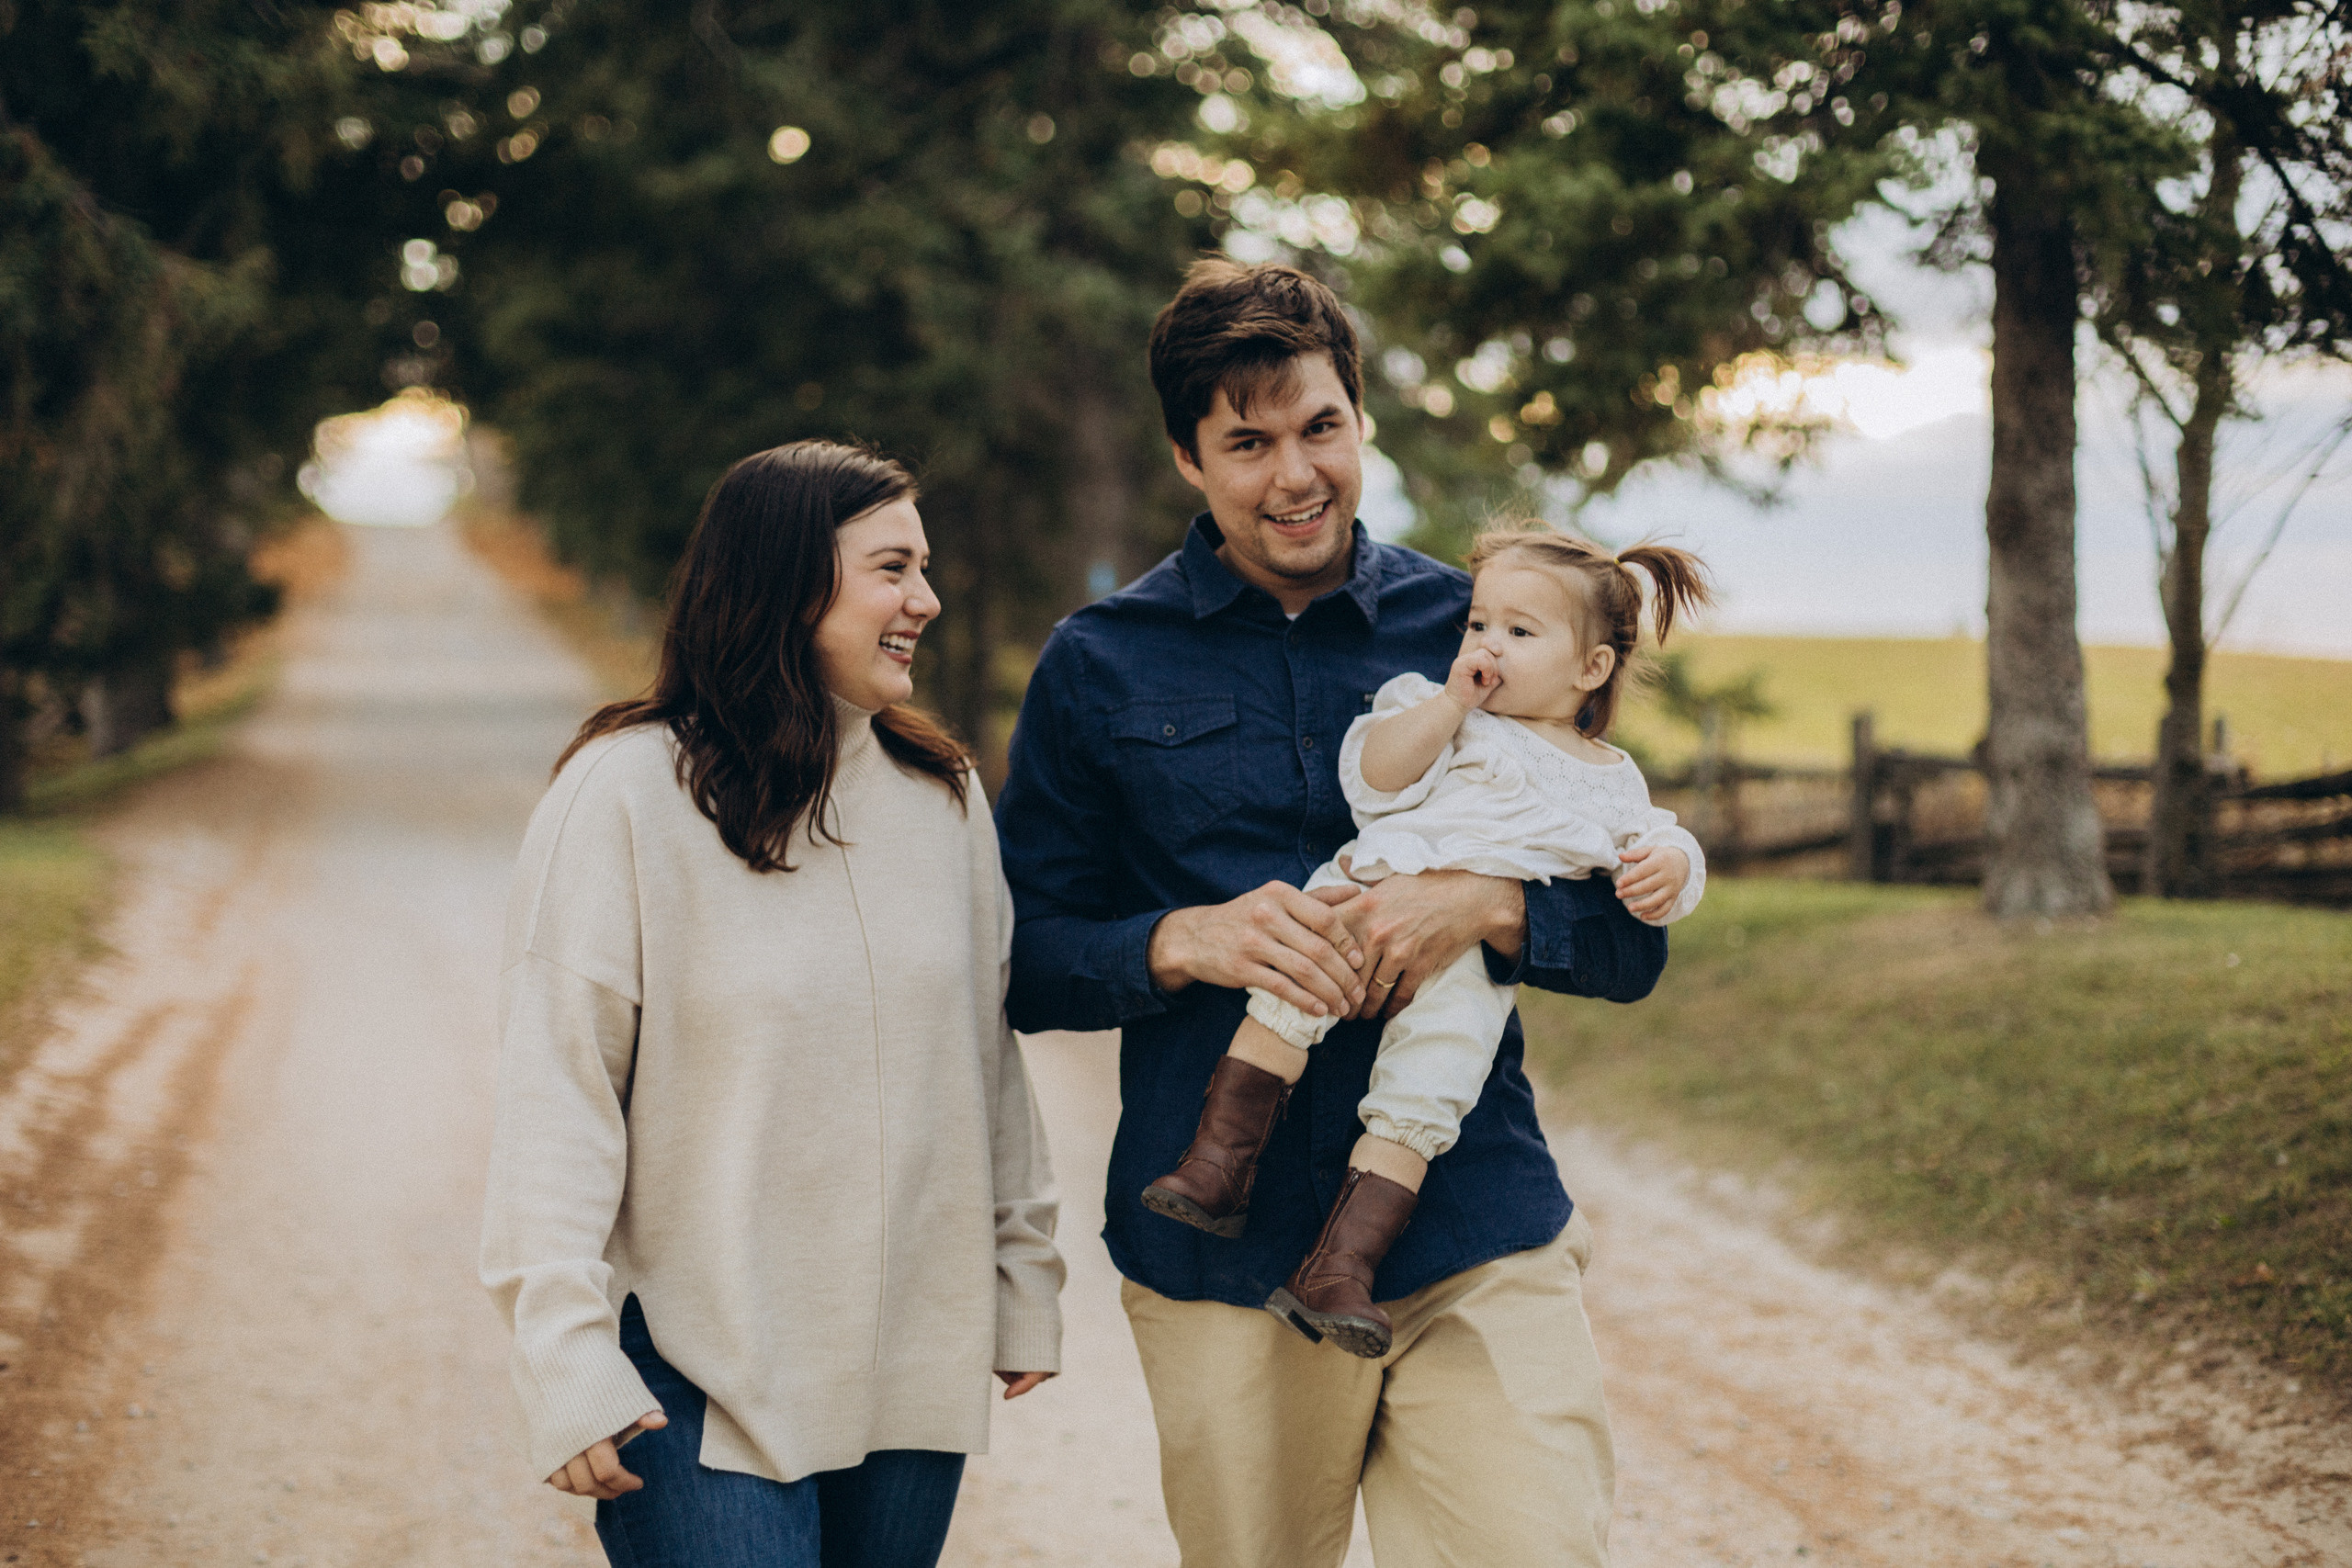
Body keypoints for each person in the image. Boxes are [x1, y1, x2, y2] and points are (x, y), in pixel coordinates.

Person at [993, 259, 1666, 1568]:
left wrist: (1487, 903)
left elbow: (1629, 935)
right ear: (1188, 458)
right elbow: (1026, 959)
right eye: (1248, 443)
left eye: (1321, 427)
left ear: (1362, 420)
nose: (1295, 474)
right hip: (1221, 1258)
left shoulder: (1486, 626)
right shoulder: (1097, 662)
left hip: (1472, 1222)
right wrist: (1181, 940)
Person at [481, 441, 1064, 1568]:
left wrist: (1020, 1274)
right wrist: (562, 1352)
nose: (927, 600)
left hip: (906, 1372)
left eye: (925, 569)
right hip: (693, 1372)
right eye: (892, 569)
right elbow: (558, 1089)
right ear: (792, 583)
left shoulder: (941, 799)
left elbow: (983, 1064)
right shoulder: (625, 791)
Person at [1147, 526, 1711, 1359]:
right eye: (1479, 623)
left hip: (1471, 972)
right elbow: (1375, 777)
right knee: (1292, 994)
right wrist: (1449, 706)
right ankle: (1218, 1165)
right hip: (1369, 891)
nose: (1488, 644)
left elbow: (1662, 847)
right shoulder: (1442, 712)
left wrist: (1674, 865)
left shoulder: (1610, 778)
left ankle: (1340, 1267)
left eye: (1520, 631)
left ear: (1591, 667)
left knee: (1426, 1095)